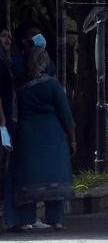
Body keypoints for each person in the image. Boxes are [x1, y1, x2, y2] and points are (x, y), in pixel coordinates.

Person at [4, 48, 75, 232]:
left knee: (27, 179)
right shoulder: (53, 85)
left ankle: (24, 219)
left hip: (26, 138)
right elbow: (66, 116)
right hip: (53, 137)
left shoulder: (20, 88)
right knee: (56, 176)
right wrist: (73, 140)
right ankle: (56, 220)